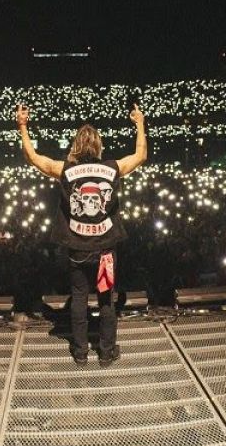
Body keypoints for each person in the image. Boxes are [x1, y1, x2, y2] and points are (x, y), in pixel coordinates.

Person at [16, 102, 148, 365]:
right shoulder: (112, 168)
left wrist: (22, 125)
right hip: (105, 250)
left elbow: (33, 158)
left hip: (77, 248)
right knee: (106, 299)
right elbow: (140, 155)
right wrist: (140, 124)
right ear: (98, 145)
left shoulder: (65, 169)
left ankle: (80, 353)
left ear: (75, 145)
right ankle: (106, 353)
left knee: (79, 297)